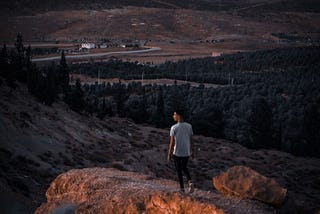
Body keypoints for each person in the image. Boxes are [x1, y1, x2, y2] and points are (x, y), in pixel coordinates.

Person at [167, 109, 195, 193]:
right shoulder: (189, 126)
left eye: (174, 115)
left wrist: (169, 153)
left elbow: (172, 143)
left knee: (179, 170)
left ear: (179, 116)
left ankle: (182, 189)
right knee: (184, 167)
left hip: (177, 152)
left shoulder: (174, 127)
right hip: (186, 151)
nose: (173, 116)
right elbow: (191, 140)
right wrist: (192, 152)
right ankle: (190, 181)